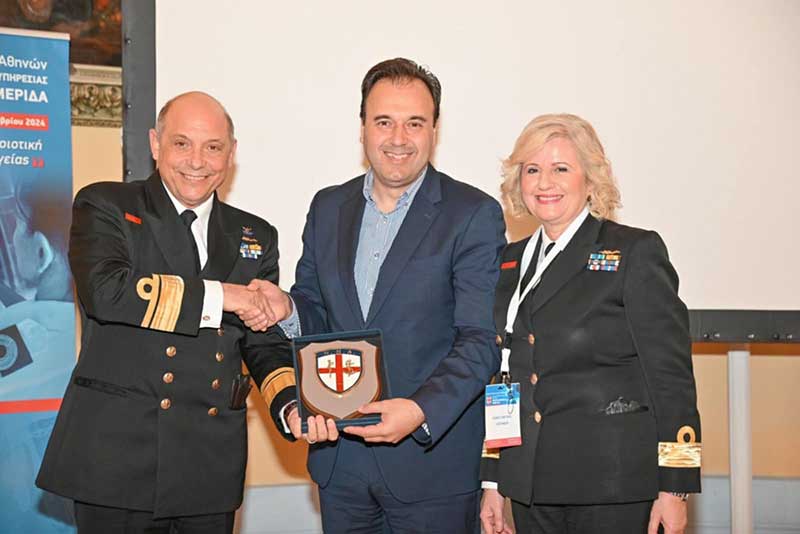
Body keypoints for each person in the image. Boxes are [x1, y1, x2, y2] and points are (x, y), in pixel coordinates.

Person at [250, 58, 506, 533]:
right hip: (340, 462)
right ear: (363, 127)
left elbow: (479, 340)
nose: (398, 138)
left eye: (415, 123)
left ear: (434, 130)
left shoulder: (472, 214)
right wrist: (288, 309)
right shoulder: (328, 206)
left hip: (431, 467)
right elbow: (317, 311)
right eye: (384, 121)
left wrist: (419, 410)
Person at [36, 91, 296, 534]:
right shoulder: (107, 205)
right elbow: (106, 292)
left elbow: (261, 340)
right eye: (181, 143)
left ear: (231, 153)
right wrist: (223, 296)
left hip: (210, 463)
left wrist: (289, 403)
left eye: (213, 147)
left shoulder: (254, 234)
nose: (197, 161)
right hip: (119, 460)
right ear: (155, 144)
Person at [479, 114, 701, 534]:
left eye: (561, 168)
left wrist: (676, 485)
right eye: (532, 170)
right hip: (530, 486)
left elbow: (672, 380)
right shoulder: (511, 261)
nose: (545, 183)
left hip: (613, 486)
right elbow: (505, 376)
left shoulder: (634, 251)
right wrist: (494, 480)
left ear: (590, 179)